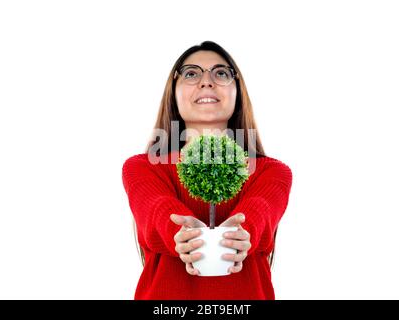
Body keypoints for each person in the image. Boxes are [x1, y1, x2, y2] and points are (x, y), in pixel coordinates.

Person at [122, 41, 293, 300]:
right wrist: (180, 233)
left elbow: (261, 208)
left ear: (238, 91)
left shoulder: (271, 172)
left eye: (221, 73)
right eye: (191, 73)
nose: (206, 81)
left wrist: (243, 233)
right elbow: (156, 208)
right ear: (173, 92)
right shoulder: (143, 167)